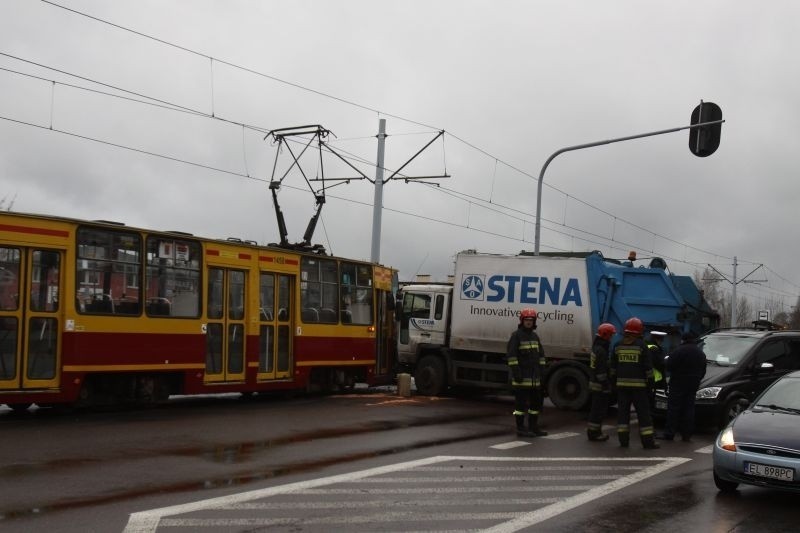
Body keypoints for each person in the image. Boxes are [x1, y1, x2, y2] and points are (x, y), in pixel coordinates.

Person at [609, 317, 659, 449]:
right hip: (639, 388)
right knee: (643, 415)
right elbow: (648, 368)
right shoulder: (642, 346)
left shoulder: (617, 345)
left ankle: (623, 442)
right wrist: (651, 385)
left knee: (623, 414)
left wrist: (613, 384)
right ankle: (648, 442)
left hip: (622, 387)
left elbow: (612, 368)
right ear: (639, 331)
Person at [506, 308, 548, 438]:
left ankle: (533, 427)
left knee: (535, 405)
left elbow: (541, 356)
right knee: (520, 407)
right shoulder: (516, 336)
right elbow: (512, 357)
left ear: (534, 321)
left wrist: (542, 372)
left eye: (531, 320)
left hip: (535, 379)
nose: (529, 322)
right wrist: (517, 373)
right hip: (521, 379)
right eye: (527, 320)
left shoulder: (535, 336)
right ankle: (520, 428)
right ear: (522, 321)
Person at [660, 332, 707, 442]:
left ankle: (669, 433)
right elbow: (703, 370)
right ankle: (686, 435)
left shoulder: (679, 350)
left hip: (678, 383)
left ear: (683, 340)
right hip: (693, 384)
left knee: (673, 408)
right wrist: (696, 379)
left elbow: (669, 366)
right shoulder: (700, 353)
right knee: (689, 409)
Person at [587, 322, 616, 441]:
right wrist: (606, 385)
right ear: (605, 335)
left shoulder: (597, 347)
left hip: (594, 383)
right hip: (599, 385)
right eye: (610, 335)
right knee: (598, 411)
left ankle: (594, 432)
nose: (611, 337)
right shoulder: (601, 350)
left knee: (596, 410)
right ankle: (594, 434)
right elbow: (601, 372)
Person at [646, 330, 668, 412]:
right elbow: (660, 363)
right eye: (661, 339)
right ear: (657, 339)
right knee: (653, 401)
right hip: (655, 379)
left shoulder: (646, 345)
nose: (662, 341)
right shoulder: (654, 349)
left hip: (647, 378)